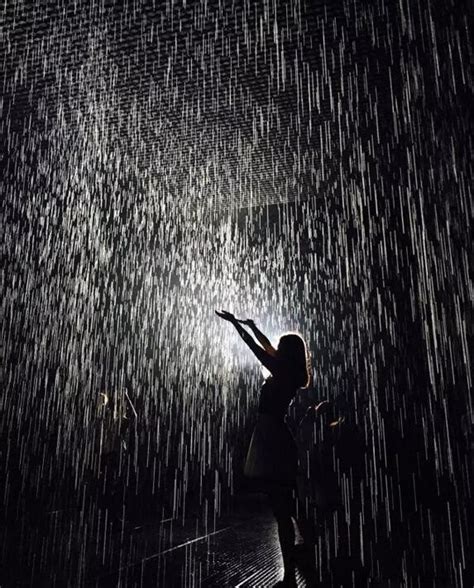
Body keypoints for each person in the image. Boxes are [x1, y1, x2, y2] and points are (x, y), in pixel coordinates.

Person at [215, 310, 312, 587]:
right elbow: (265, 345)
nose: (275, 348)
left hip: (271, 439)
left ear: (287, 353)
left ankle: (291, 573)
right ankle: (300, 561)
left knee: (282, 508)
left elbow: (255, 348)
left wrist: (236, 326)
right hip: (276, 436)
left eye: (280, 347)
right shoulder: (289, 370)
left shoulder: (280, 370)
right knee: (286, 506)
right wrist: (254, 326)